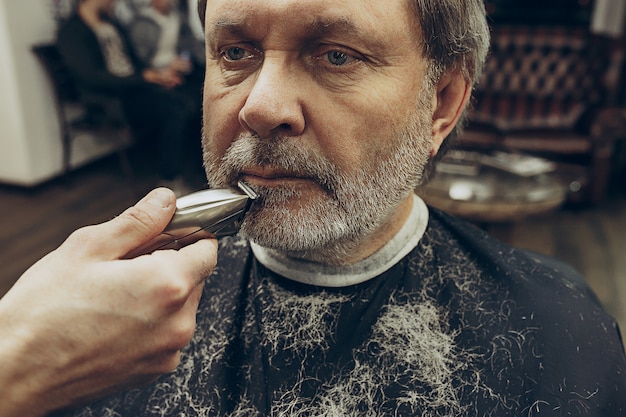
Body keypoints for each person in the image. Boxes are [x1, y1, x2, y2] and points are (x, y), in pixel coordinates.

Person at [4, 0, 625, 415]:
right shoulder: (82, 325)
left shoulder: (557, 331)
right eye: (235, 53)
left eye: (336, 55)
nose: (259, 106)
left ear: (441, 103)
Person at [56, 0, 199, 193]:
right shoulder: (71, 31)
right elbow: (91, 77)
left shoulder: (111, 22)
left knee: (188, 96)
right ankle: (170, 178)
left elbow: (135, 62)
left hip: (134, 87)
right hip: (111, 99)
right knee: (174, 109)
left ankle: (194, 171)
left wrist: (157, 76)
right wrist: (144, 77)